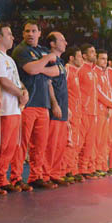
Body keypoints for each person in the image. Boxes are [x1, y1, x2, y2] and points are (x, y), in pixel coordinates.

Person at [11, 21, 59, 190]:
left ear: (39, 32)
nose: (30, 34)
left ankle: (35, 176)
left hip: (43, 103)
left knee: (40, 144)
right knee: (21, 143)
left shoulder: (43, 50)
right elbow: (30, 70)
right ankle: (16, 177)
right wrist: (45, 61)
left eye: (33, 31)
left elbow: (57, 71)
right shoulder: (21, 50)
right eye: (26, 31)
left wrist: (40, 67)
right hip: (27, 103)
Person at [0, 24, 27, 194]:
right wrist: (20, 93)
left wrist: (24, 91)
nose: (13, 37)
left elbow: (16, 80)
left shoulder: (9, 58)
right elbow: (2, 80)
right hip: (4, 109)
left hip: (15, 108)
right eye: (9, 34)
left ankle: (1, 178)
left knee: (10, 148)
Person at [45, 32, 70, 186]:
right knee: (51, 144)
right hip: (55, 108)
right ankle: (46, 174)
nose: (65, 42)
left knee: (60, 144)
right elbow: (48, 83)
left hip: (63, 107)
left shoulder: (60, 61)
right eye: (62, 40)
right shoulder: (48, 60)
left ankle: (55, 173)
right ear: (53, 44)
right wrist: (54, 103)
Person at [78, 43, 101, 179]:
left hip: (93, 112)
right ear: (84, 55)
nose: (95, 54)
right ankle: (75, 169)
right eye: (92, 52)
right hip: (83, 112)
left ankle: (85, 168)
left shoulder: (93, 72)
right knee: (80, 142)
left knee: (90, 143)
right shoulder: (81, 70)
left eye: (95, 51)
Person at [93, 49, 112, 177]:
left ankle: (101, 165)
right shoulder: (95, 72)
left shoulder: (104, 73)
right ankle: (94, 166)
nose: (105, 61)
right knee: (96, 141)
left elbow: (109, 91)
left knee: (104, 141)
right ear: (96, 59)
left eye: (106, 59)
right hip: (98, 111)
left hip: (106, 112)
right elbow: (98, 92)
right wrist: (111, 104)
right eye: (102, 58)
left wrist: (111, 106)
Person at [63, 46, 84, 183]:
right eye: (79, 56)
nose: (82, 59)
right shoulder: (67, 70)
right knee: (69, 142)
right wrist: (66, 108)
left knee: (76, 141)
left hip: (77, 113)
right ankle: (65, 171)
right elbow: (61, 90)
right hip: (70, 113)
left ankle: (72, 169)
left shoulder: (76, 72)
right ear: (71, 58)